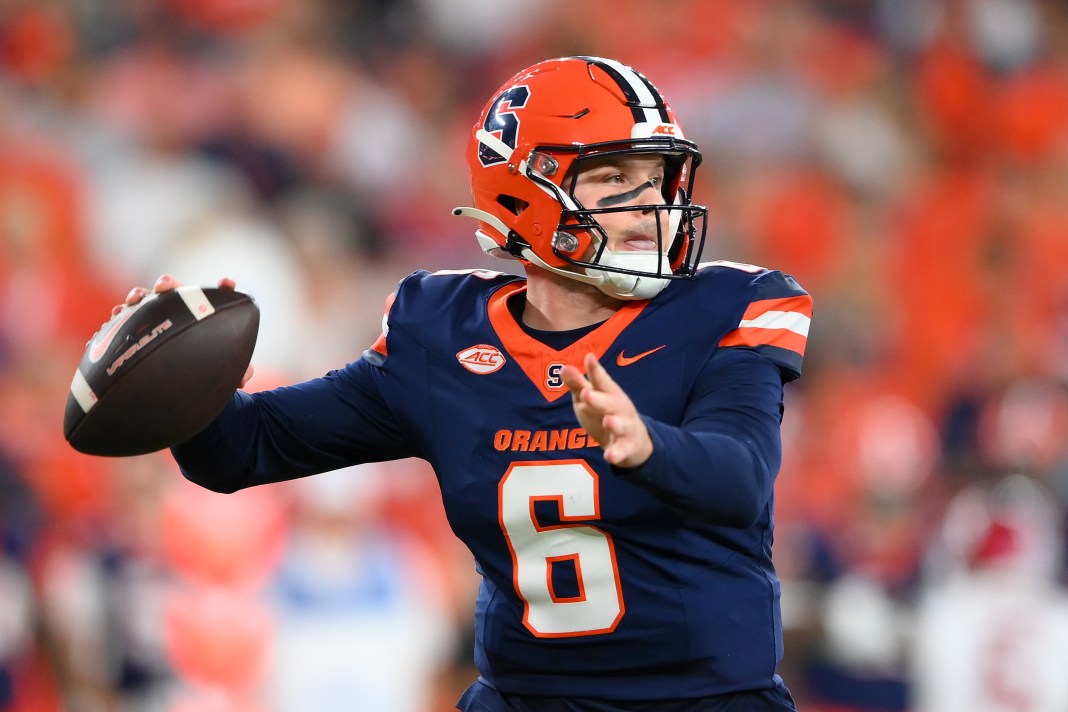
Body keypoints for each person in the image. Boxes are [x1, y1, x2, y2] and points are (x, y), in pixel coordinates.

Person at [121, 56, 812, 711]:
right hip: (525, 697)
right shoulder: (443, 334)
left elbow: (741, 478)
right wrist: (185, 381)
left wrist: (647, 445)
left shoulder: (725, 310)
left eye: (657, 179)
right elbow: (241, 452)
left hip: (701, 700)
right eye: (613, 179)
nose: (648, 205)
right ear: (527, 190)